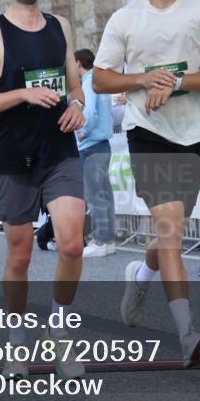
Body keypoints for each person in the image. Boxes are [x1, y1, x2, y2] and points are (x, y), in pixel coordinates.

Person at [93, 0, 200, 367]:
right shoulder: (125, 19)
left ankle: (140, 276)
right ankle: (187, 333)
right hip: (148, 132)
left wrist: (173, 82)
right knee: (171, 230)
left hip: (193, 135)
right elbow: (101, 79)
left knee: (169, 232)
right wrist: (143, 80)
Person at [0, 0, 87, 381]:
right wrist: (21, 94)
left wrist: (77, 106)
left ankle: (61, 332)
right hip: (14, 155)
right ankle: (16, 342)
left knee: (72, 244)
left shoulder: (60, 27)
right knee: (19, 257)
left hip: (59, 151)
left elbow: (76, 87)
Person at [74, 48, 117, 258]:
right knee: (105, 195)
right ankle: (107, 240)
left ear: (78, 63)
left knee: (95, 195)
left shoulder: (88, 82)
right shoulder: (99, 81)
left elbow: (88, 110)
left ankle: (101, 240)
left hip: (90, 144)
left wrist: (83, 130)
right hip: (102, 144)